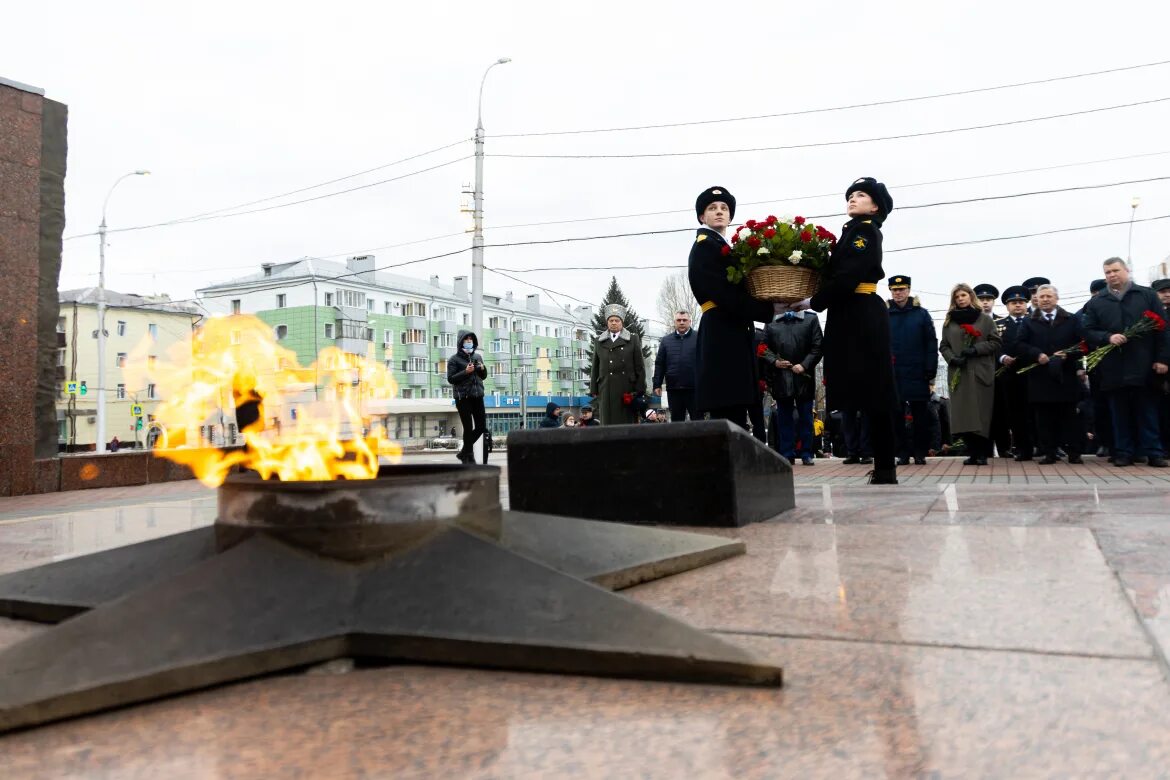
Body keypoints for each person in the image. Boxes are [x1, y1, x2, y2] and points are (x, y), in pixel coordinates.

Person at [787, 177, 899, 484]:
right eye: (850, 194)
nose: (852, 198)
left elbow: (849, 275)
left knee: (876, 393)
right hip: (850, 313)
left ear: (875, 206)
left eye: (861, 195)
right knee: (863, 392)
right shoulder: (852, 232)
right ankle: (882, 464)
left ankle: (886, 466)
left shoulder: (865, 231)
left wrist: (813, 301)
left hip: (861, 313)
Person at [687, 186, 777, 428]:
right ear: (701, 217)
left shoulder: (721, 245)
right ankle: (727, 462)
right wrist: (769, 310)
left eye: (724, 208)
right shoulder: (706, 245)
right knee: (727, 403)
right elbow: (725, 294)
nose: (719, 212)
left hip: (731, 326)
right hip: (721, 328)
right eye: (712, 208)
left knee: (734, 404)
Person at [1081, 258, 1170, 467]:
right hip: (1114, 367)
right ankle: (1123, 452)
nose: (1112, 275)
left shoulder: (1146, 295)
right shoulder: (1098, 301)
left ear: (1126, 270)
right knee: (1119, 413)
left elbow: (1162, 330)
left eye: (1115, 270)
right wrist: (1107, 337)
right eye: (1107, 272)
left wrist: (1162, 359)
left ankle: (1153, 452)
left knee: (1147, 411)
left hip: (1144, 364)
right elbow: (1088, 331)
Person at [1013, 284, 1085, 464]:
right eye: (1042, 296)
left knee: (1069, 416)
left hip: (1065, 375)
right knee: (1044, 418)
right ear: (1036, 299)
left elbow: (1084, 344)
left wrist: (1069, 354)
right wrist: (1036, 354)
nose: (1045, 299)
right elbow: (1019, 345)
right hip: (1040, 376)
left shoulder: (1071, 319)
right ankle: (1049, 452)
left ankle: (1074, 452)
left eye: (1049, 296)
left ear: (1056, 298)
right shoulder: (1029, 321)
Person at [939, 283, 1002, 465]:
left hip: (980, 372)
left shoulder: (984, 319)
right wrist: (952, 358)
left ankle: (983, 453)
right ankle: (972, 452)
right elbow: (943, 345)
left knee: (981, 413)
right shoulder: (949, 321)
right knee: (962, 414)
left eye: (963, 295)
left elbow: (996, 342)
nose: (960, 299)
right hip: (959, 371)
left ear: (970, 297)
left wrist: (976, 349)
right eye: (957, 297)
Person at [887, 274, 938, 466]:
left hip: (918, 372)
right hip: (894, 373)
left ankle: (919, 452)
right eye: (895, 290)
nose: (898, 293)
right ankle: (902, 453)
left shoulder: (921, 314)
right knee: (896, 416)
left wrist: (930, 369)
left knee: (920, 416)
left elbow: (931, 342)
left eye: (902, 289)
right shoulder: (885, 313)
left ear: (908, 290)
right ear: (891, 291)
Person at [762, 308, 823, 465]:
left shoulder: (811, 319)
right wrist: (775, 361)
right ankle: (787, 454)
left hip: (804, 377)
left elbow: (818, 346)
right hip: (781, 377)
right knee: (784, 419)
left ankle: (807, 453)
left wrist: (804, 365)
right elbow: (762, 348)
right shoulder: (771, 320)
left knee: (806, 418)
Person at [994, 285, 1036, 460]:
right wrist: (1002, 357)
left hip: (1034, 374)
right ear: (1007, 306)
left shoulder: (1035, 322)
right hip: (1010, 375)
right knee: (1015, 414)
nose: (1017, 305)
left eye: (1021, 302)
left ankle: (1043, 446)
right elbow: (994, 346)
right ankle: (1022, 448)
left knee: (1036, 413)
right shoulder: (999, 325)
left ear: (1026, 304)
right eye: (1013, 303)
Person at [589, 304, 646, 425]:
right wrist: (594, 388)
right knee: (607, 423)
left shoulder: (632, 339)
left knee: (625, 423)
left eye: (617, 320)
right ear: (607, 322)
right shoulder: (599, 341)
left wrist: (639, 389)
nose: (614, 323)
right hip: (606, 388)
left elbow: (639, 367)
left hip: (626, 389)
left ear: (622, 322)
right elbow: (595, 366)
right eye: (611, 320)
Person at [1077, 279, 1113, 458]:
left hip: (1117, 365)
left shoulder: (1114, 309)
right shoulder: (1082, 313)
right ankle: (1104, 442)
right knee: (1099, 405)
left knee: (1116, 405)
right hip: (1095, 365)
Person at [446, 330, 488, 464]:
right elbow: (451, 379)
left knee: (481, 426)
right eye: (466, 339)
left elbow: (483, 376)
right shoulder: (454, 359)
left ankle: (465, 451)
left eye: (471, 339)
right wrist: (466, 372)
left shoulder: (478, 356)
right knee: (468, 428)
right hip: (463, 397)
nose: (469, 341)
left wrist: (482, 369)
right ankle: (468, 456)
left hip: (477, 396)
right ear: (461, 341)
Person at [653, 310, 699, 421]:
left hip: (695, 389)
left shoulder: (699, 337)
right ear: (675, 322)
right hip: (674, 390)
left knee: (699, 422)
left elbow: (705, 362)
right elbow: (660, 364)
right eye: (679, 320)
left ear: (690, 321)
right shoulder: (665, 341)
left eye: (684, 320)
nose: (682, 322)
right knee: (677, 423)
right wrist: (657, 385)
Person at [1155, 278, 1170, 453]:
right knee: (1161, 409)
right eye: (1163, 291)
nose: (1167, 294)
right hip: (1159, 369)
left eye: (1169, 291)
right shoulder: (1153, 314)